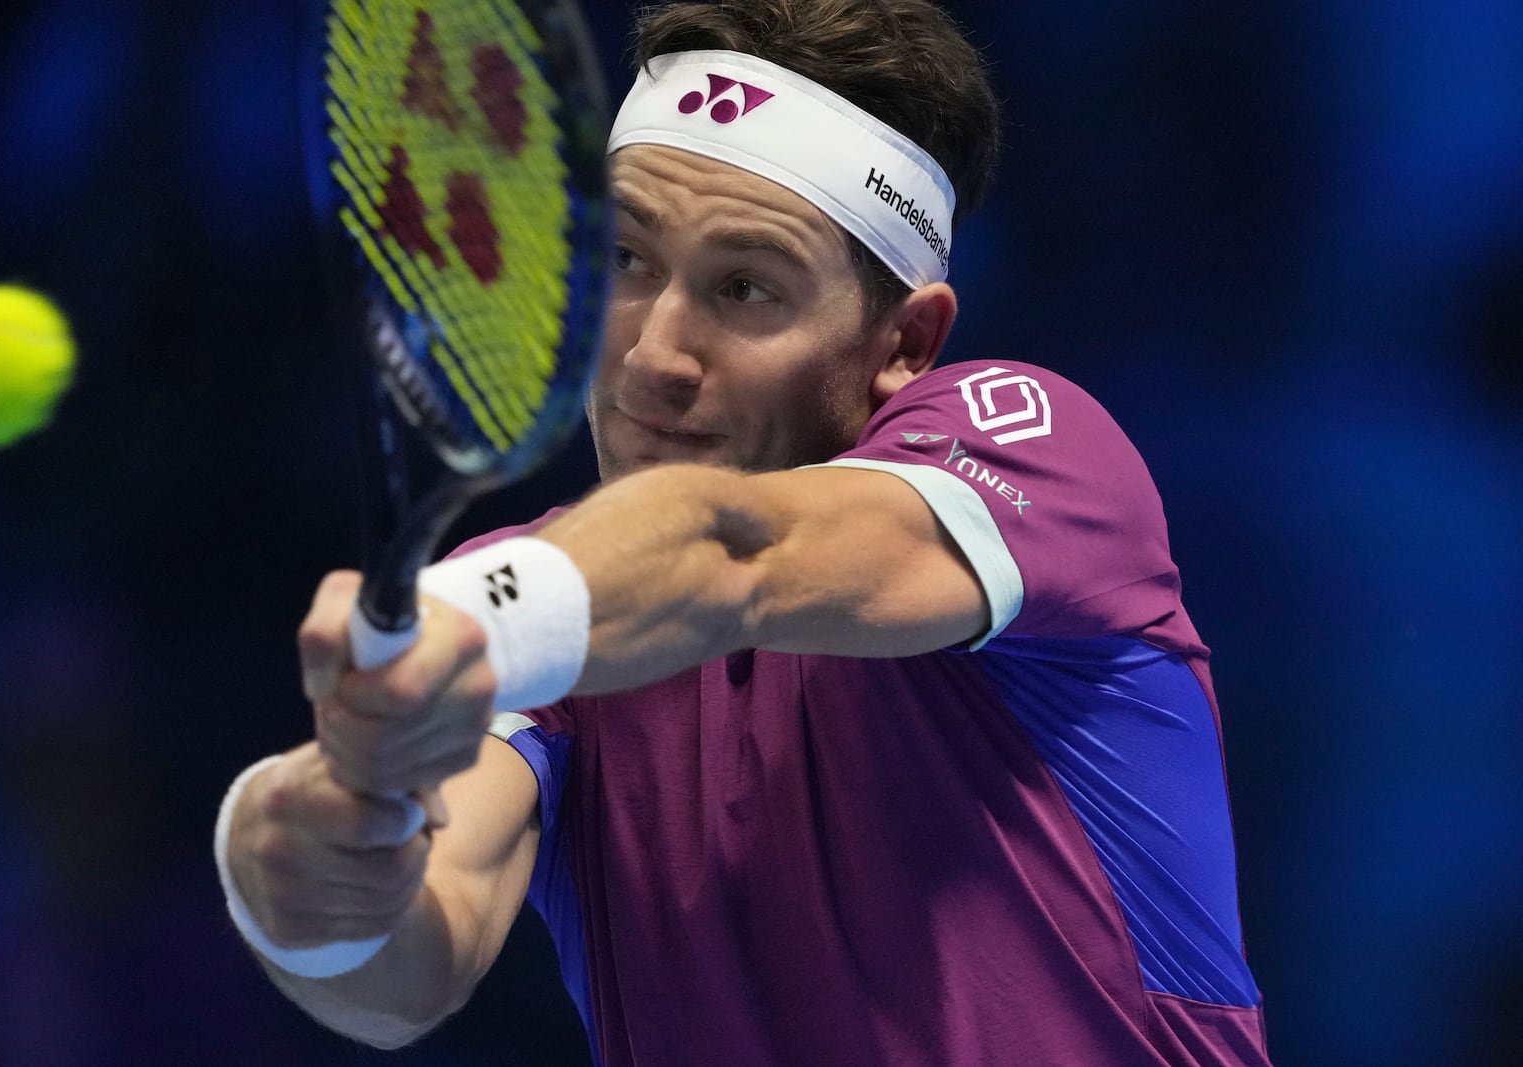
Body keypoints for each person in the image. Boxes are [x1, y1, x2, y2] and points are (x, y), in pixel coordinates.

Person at [214, 1, 1272, 1063]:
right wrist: (302, 862)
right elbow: (403, 974)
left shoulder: (1038, 452)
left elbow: (732, 556)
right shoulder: (533, 607)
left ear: (904, 340)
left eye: (743, 287)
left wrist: (462, 626)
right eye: (626, 260)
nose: (654, 357)